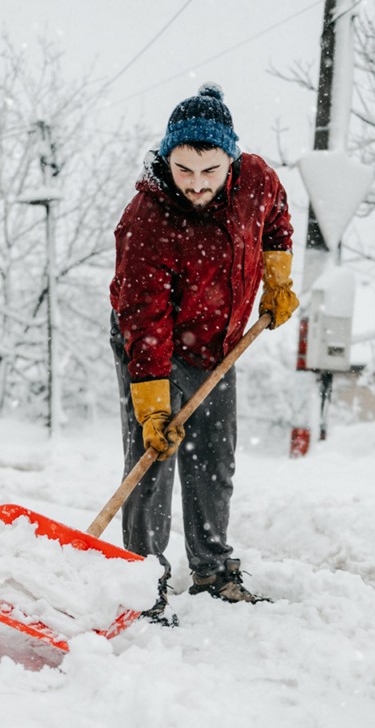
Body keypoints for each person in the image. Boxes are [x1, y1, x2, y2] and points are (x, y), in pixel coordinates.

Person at [109, 83, 300, 624]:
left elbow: (278, 219)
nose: (196, 184)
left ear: (231, 160)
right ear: (166, 158)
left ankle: (213, 571)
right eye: (184, 169)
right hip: (153, 347)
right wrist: (151, 405)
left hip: (218, 346)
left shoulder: (257, 180)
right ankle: (141, 580)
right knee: (155, 456)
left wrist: (277, 278)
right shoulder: (147, 220)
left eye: (210, 171)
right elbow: (143, 319)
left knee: (214, 457)